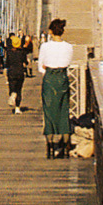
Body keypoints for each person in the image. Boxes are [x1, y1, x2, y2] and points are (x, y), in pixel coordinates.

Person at [39, 18, 76, 158]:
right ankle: (65, 148)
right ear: (62, 31)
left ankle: (50, 148)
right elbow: (68, 62)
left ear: (50, 31)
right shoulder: (69, 47)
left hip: (49, 79)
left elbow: (40, 67)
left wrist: (47, 68)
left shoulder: (45, 47)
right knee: (63, 112)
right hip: (63, 78)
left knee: (49, 113)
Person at [5, 31, 32, 115]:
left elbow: (7, 64)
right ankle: (17, 108)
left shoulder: (9, 53)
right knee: (19, 90)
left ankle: (12, 94)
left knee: (12, 87)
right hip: (20, 72)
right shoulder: (22, 52)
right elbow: (25, 62)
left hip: (11, 72)